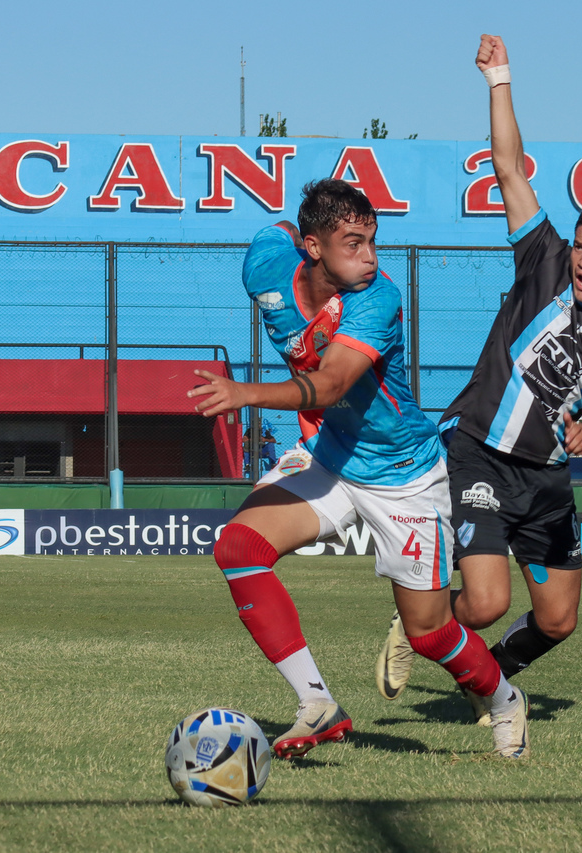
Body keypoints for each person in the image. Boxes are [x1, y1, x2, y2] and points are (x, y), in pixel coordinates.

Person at [188, 178, 530, 759]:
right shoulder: (268, 264)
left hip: (403, 476)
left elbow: (332, 383)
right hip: (330, 457)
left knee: (429, 634)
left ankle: (503, 699)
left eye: (373, 240)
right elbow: (273, 231)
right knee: (239, 549)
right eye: (353, 241)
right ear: (312, 246)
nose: (370, 256)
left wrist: (246, 392)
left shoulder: (377, 298)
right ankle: (317, 704)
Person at [376, 33, 582, 725]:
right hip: (480, 453)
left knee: (557, 619)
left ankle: (489, 671)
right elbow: (507, 167)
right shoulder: (544, 258)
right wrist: (500, 77)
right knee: (490, 601)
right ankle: (422, 626)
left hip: (549, 478)